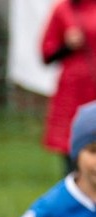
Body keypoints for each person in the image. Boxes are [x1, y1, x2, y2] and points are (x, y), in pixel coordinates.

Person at [41, 0, 96, 174]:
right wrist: (67, 46)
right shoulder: (63, 9)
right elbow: (47, 53)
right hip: (73, 94)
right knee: (74, 157)